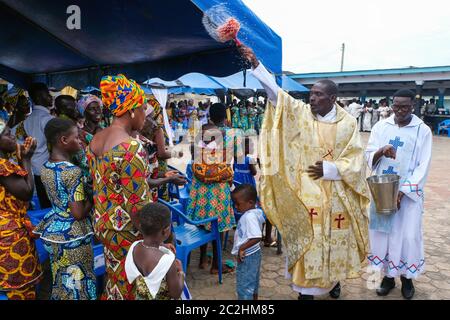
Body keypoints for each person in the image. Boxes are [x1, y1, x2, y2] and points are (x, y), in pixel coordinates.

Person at [240, 44, 369, 300]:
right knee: (308, 241)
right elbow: (278, 96)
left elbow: (356, 159)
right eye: (311, 93)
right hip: (306, 195)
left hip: (335, 195)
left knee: (332, 242)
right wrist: (257, 65)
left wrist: (331, 169)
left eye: (319, 95)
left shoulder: (348, 124)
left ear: (332, 98)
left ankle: (332, 282)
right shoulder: (302, 114)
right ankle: (304, 292)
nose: (312, 98)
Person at [87, 74, 151, 300]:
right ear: (131, 110)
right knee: (132, 286)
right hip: (128, 232)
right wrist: (154, 240)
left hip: (104, 225)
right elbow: (137, 207)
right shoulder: (131, 147)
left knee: (115, 278)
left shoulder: (96, 139)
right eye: (143, 108)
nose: (145, 115)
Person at [365, 89, 432, 300]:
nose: (399, 110)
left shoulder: (422, 131)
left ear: (413, 106)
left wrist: (404, 191)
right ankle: (387, 278)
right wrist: (380, 151)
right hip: (382, 191)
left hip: (408, 196)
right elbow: (369, 153)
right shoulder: (381, 126)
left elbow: (424, 164)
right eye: (396, 106)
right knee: (382, 235)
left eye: (404, 107)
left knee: (407, 236)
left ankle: (407, 279)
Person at [33, 118, 96, 300]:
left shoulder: (46, 167)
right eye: (76, 138)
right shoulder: (72, 172)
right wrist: (93, 196)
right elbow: (77, 213)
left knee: (62, 280)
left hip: (54, 231)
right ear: (63, 140)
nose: (80, 141)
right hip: (73, 235)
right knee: (78, 283)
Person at [187, 103, 240, 274]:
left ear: (209, 115)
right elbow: (237, 159)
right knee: (219, 224)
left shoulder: (199, 132)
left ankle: (203, 259)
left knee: (202, 223)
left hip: (200, 187)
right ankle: (216, 265)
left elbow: (192, 155)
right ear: (225, 117)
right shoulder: (230, 134)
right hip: (219, 187)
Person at [0, 120, 42, 300]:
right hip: (10, 237)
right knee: (18, 290)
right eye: (7, 134)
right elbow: (26, 192)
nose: (13, 137)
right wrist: (26, 159)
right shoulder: (2, 166)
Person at [125, 202, 185, 300]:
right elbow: (176, 294)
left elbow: (149, 246)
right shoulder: (167, 260)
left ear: (140, 226)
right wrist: (181, 272)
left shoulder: (134, 247)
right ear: (165, 231)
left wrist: (161, 245)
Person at [12, 82, 55, 209]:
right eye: (47, 94)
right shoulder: (47, 119)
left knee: (44, 207)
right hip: (48, 170)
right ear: (37, 98)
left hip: (35, 171)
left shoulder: (26, 121)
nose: (51, 97)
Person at [231, 184, 265, 300]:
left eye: (238, 204)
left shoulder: (249, 217)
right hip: (254, 254)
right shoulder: (256, 212)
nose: (236, 207)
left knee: (244, 286)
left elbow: (257, 237)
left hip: (248, 255)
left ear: (250, 202)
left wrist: (242, 248)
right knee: (253, 283)